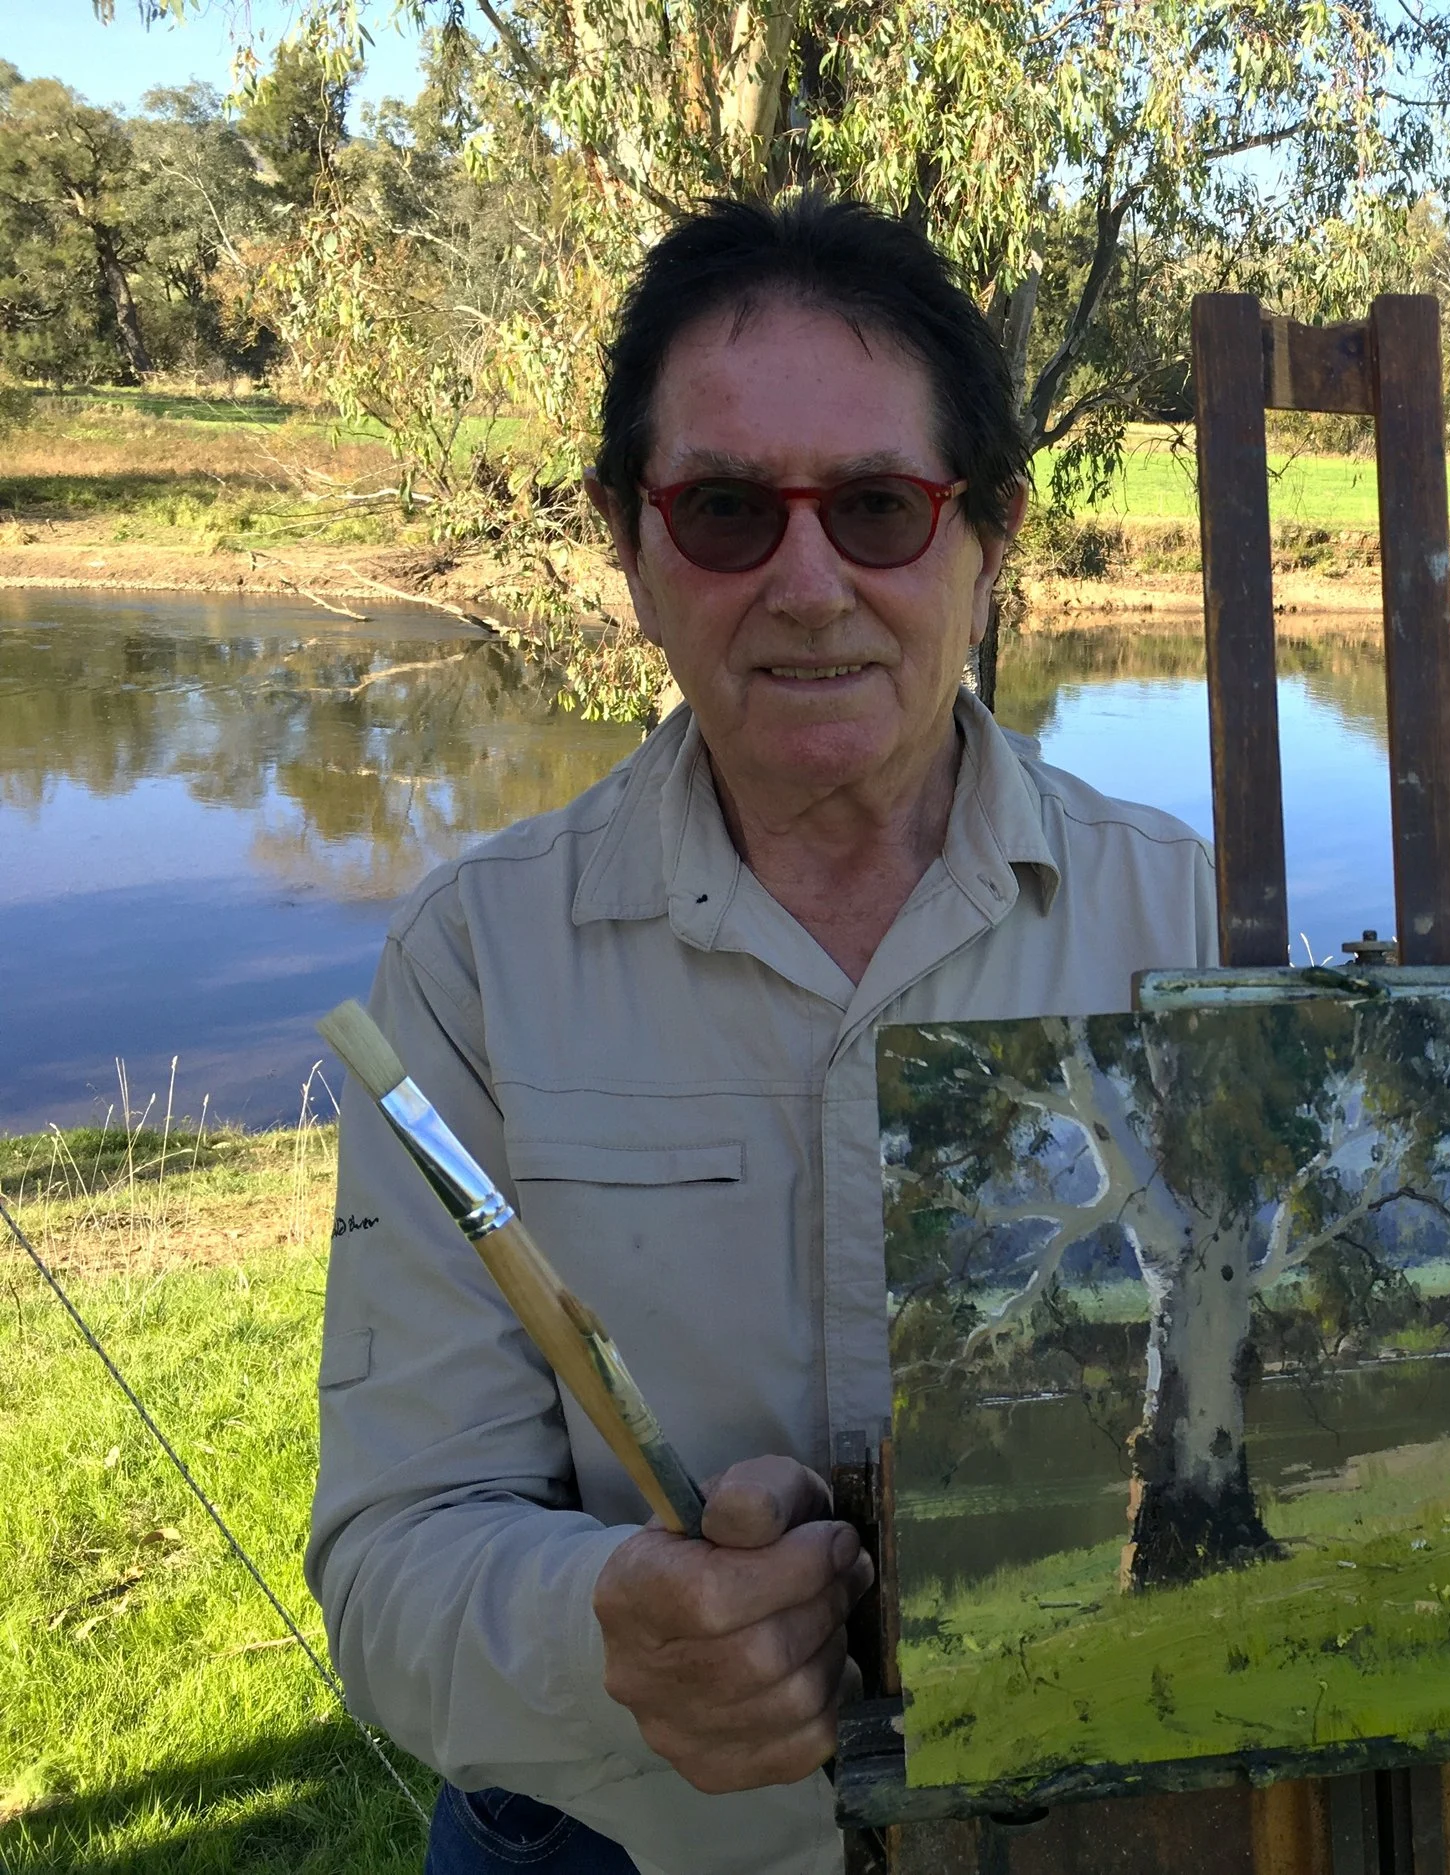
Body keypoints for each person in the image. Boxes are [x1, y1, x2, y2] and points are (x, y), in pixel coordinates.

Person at [307, 195, 1220, 1875]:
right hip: (606, 1839)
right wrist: (605, 1625)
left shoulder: (1197, 932)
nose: (809, 586)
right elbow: (390, 1554)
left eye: (878, 507)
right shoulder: (474, 965)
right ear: (630, 545)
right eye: (728, 510)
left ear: (990, 537)